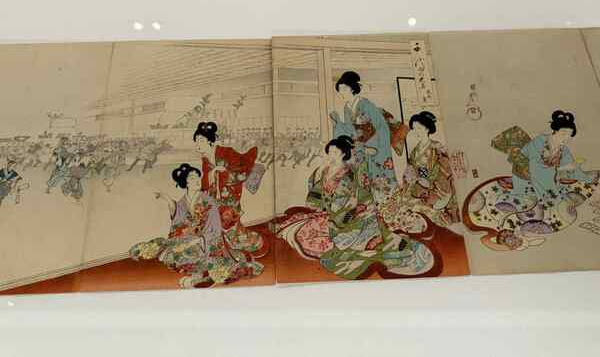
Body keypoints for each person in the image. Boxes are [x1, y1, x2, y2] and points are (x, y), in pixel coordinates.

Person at [273, 135, 436, 280]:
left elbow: (351, 199)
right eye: (329, 152)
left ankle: (380, 249)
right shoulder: (324, 171)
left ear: (343, 154)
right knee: (298, 227)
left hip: (347, 216)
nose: (331, 155)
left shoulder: (349, 174)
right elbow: (316, 192)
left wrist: (338, 216)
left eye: (335, 152)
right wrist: (318, 206)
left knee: (329, 238)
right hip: (329, 213)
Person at [463, 110, 599, 251]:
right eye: (564, 134)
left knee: (560, 202)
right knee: (530, 204)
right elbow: (535, 169)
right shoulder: (539, 142)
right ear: (555, 130)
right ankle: (507, 231)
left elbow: (571, 168)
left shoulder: (562, 150)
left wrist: (584, 176)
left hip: (546, 180)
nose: (566, 138)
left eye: (569, 136)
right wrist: (558, 174)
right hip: (524, 175)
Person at [129, 164, 264, 288]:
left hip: (209, 240)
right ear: (186, 182)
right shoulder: (184, 200)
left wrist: (197, 240)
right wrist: (168, 200)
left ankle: (202, 274)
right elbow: (180, 219)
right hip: (192, 236)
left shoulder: (207, 200)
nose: (197, 180)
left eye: (198, 177)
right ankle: (199, 273)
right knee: (168, 251)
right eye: (192, 178)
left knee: (189, 253)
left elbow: (214, 228)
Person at [329, 71, 408, 208]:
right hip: (361, 150)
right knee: (361, 180)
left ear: (352, 88)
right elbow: (350, 131)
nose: (341, 92)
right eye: (339, 90)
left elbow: (381, 127)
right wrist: (338, 124)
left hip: (376, 148)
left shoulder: (366, 104)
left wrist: (374, 147)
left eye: (343, 88)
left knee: (380, 181)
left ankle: (388, 208)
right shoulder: (347, 108)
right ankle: (368, 209)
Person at [193, 122, 269, 259]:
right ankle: (221, 248)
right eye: (196, 140)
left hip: (230, 195)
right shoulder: (205, 159)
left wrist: (222, 171)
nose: (198, 143)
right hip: (215, 196)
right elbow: (205, 183)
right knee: (206, 217)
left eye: (201, 140)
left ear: (210, 141)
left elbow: (240, 171)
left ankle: (249, 243)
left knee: (228, 221)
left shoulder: (226, 152)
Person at [380, 111, 459, 229]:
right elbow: (410, 169)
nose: (416, 131)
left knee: (417, 209)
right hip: (418, 186)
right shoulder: (415, 150)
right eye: (414, 128)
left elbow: (446, 171)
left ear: (427, 129)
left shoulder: (437, 147)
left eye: (419, 128)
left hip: (436, 189)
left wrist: (429, 183)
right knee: (398, 202)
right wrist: (410, 178)